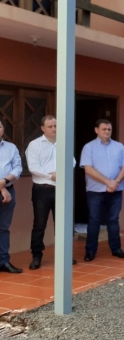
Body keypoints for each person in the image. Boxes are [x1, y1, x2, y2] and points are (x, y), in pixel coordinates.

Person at [26, 115, 77, 270]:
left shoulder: (64, 143)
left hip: (61, 189)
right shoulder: (34, 145)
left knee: (62, 225)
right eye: (50, 126)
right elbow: (33, 167)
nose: (54, 129)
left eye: (56, 126)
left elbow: (72, 161)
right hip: (42, 190)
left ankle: (64, 255)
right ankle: (36, 256)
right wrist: (52, 174)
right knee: (39, 224)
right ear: (42, 128)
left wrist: (61, 172)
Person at [80, 119, 124, 262]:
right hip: (95, 191)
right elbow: (88, 169)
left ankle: (116, 249)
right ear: (96, 130)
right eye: (104, 129)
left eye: (109, 129)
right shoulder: (89, 147)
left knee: (113, 220)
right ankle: (90, 251)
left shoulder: (119, 146)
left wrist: (115, 183)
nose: (107, 132)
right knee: (94, 220)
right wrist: (108, 182)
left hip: (116, 189)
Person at [0, 118, 22, 273]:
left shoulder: (11, 147)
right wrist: (2, 188)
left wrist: (5, 181)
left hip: (9, 189)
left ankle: (3, 261)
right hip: (5, 191)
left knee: (3, 228)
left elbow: (18, 168)